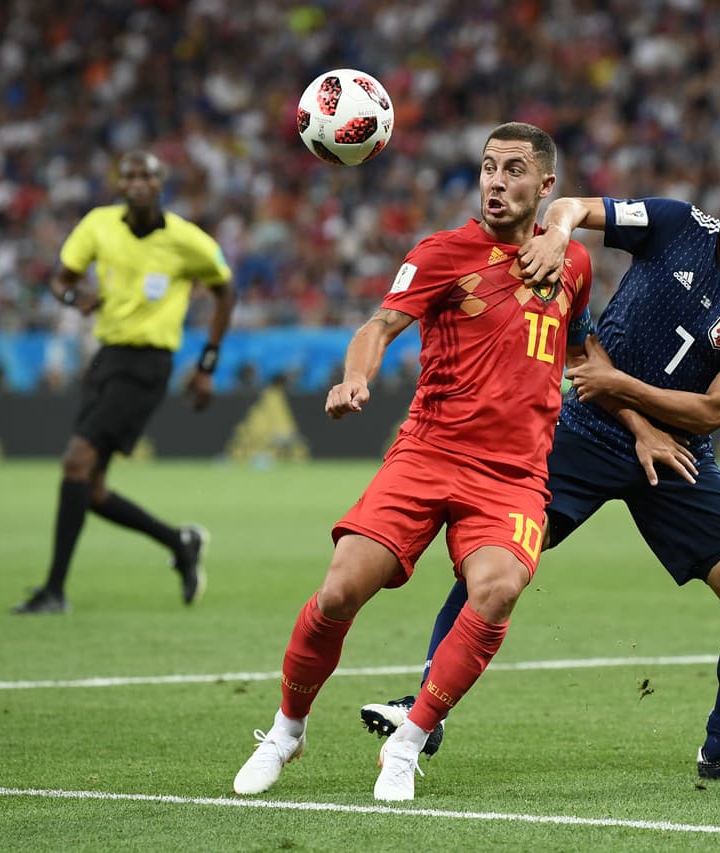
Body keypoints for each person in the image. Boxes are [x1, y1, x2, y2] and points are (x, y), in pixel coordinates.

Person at [359, 132, 720, 785]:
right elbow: (575, 206)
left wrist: (628, 397)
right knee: (494, 566)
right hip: (579, 427)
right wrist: (556, 233)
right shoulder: (674, 223)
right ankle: (425, 711)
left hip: (675, 453)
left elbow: (711, 412)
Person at [231, 122, 594, 802]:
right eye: (488, 167)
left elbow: (573, 349)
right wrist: (355, 376)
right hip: (429, 451)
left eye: (514, 169)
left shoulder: (572, 263)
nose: (495, 181)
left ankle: (409, 740)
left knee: (497, 588)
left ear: (546, 186)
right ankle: (286, 728)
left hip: (513, 473)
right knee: (340, 589)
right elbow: (379, 326)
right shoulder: (441, 253)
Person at [13, 151, 235, 614]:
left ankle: (55, 591)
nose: (137, 182)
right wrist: (75, 296)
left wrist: (208, 364)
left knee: (76, 461)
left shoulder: (186, 240)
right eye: (129, 175)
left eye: (147, 175)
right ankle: (180, 542)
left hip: (149, 363)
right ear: (119, 183)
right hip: (106, 358)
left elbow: (224, 289)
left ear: (160, 184)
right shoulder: (97, 224)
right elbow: (60, 280)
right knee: (90, 488)